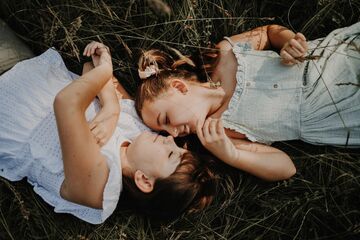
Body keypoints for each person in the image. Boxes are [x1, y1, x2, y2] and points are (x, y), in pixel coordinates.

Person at [0, 41, 217, 224]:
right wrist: (111, 107)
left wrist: (105, 70)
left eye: (171, 154)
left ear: (145, 180)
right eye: (177, 148)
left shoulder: (98, 186)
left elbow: (66, 104)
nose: (170, 139)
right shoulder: (137, 129)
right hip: (21, 63)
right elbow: (89, 69)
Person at [135, 23, 360, 181]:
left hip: (332, 60)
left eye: (166, 120)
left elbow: (269, 32)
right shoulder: (218, 134)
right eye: (165, 132)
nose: (173, 134)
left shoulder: (224, 56)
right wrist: (232, 155)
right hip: (336, 111)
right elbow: (285, 167)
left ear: (179, 87)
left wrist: (289, 42)